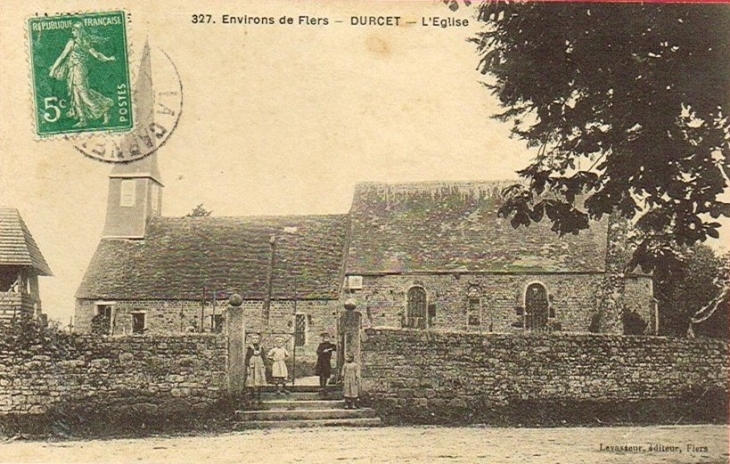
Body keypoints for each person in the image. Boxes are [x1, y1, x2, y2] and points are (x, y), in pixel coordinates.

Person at [49, 22, 115, 128]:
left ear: (78, 31)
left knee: (83, 94)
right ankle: (82, 119)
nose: (72, 32)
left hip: (79, 71)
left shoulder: (77, 43)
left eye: (74, 30)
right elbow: (96, 55)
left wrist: (53, 70)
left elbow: (62, 57)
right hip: (73, 70)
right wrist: (107, 59)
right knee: (76, 94)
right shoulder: (82, 42)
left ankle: (104, 108)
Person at [245, 333, 267, 404]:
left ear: (259, 340)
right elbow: (247, 358)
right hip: (252, 366)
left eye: (256, 339)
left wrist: (265, 365)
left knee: (260, 379)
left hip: (259, 366)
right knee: (251, 380)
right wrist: (248, 367)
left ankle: (259, 396)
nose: (255, 340)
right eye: (253, 339)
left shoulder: (261, 347)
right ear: (251, 340)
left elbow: (264, 357)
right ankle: (252, 395)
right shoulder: (250, 348)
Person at [314, 332, 336, 396]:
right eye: (325, 338)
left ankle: (324, 387)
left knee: (326, 375)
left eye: (328, 338)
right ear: (323, 339)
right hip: (321, 362)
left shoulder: (330, 345)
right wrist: (323, 352)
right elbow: (318, 352)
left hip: (326, 362)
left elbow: (336, 348)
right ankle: (321, 387)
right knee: (321, 375)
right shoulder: (321, 345)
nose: (327, 339)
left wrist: (331, 348)